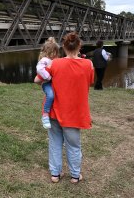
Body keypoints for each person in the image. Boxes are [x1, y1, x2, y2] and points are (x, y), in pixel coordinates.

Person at [35, 32, 94, 184]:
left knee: (55, 143)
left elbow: (37, 79)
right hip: (74, 114)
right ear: (79, 46)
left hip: (54, 112)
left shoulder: (55, 63)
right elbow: (91, 81)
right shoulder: (88, 64)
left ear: (64, 46)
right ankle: (75, 176)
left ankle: (55, 174)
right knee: (74, 145)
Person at [35, 37, 60, 129]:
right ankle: (45, 115)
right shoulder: (44, 60)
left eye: (57, 52)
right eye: (55, 52)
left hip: (53, 83)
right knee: (50, 95)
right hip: (47, 83)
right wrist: (48, 77)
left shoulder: (53, 60)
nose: (57, 54)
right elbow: (39, 69)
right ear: (49, 52)